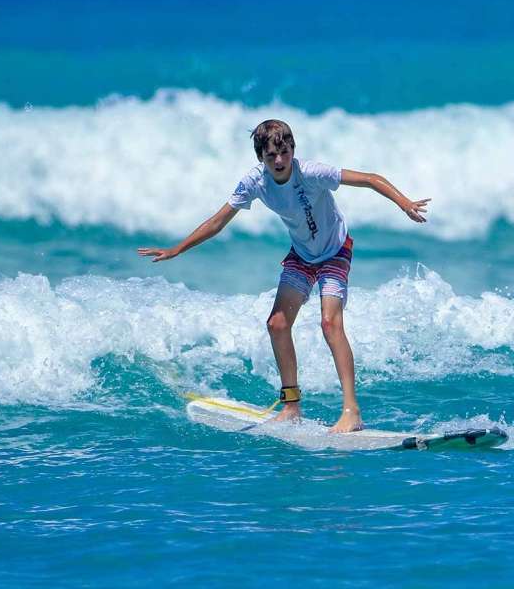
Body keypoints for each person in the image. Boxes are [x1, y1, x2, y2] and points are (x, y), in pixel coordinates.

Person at [137, 119, 430, 433]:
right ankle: (292, 406)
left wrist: (405, 204)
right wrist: (177, 248)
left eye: (285, 151)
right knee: (277, 324)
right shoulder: (255, 182)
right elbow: (218, 222)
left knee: (330, 323)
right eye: (271, 155)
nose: (279, 160)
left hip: (335, 252)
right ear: (261, 158)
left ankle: (351, 411)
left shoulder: (313, 172)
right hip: (302, 256)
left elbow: (370, 179)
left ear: (293, 149)